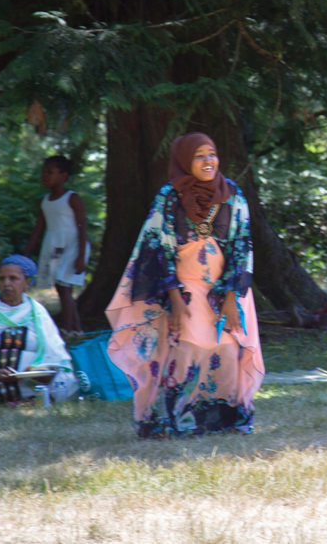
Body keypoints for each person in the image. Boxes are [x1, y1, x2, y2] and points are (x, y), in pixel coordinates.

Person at [106, 133, 264, 438]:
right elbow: (158, 248)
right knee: (187, 349)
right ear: (183, 161)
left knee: (228, 349)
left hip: (227, 289)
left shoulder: (232, 193)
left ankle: (225, 418)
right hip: (184, 289)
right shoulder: (169, 196)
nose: (208, 161)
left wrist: (231, 298)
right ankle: (179, 420)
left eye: (212, 154)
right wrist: (176, 300)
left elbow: (241, 246)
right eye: (199, 156)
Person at [0, 255, 79, 407]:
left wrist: (40, 369)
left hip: (30, 380)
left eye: (13, 278)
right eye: (2, 279)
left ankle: (29, 396)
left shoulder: (37, 312)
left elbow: (54, 351)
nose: (6, 284)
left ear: (27, 283)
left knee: (66, 383)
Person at [24, 155, 89, 335]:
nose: (45, 176)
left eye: (50, 172)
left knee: (64, 287)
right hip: (54, 246)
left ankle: (66, 330)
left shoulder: (72, 198)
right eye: (44, 172)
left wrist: (81, 256)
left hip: (73, 246)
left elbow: (83, 227)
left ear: (64, 175)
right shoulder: (45, 201)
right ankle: (77, 330)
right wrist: (25, 255)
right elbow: (39, 229)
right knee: (62, 288)